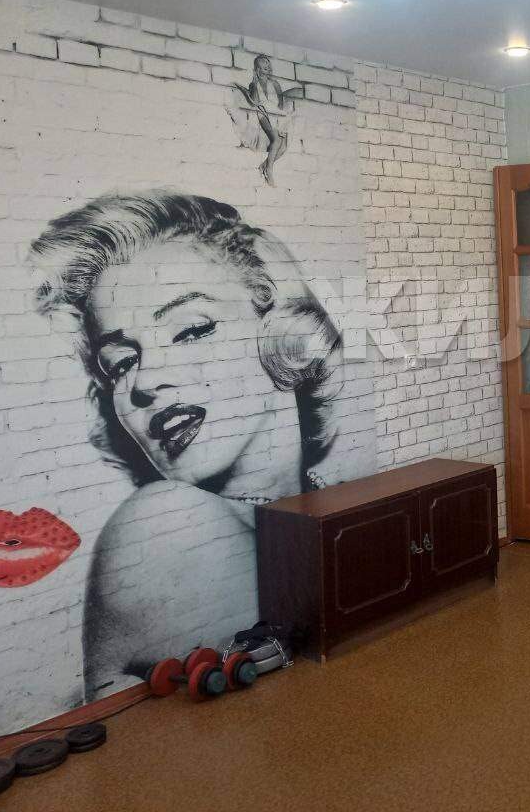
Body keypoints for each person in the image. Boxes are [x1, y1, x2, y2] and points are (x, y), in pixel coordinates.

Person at [30, 190, 341, 698]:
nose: (146, 379)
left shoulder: (322, 499)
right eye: (121, 363)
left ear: (280, 329)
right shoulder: (167, 524)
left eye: (192, 330)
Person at [228, 54, 305, 184]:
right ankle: (269, 170)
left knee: (282, 147)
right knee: (276, 140)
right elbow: (254, 102)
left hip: (276, 114)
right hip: (262, 113)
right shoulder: (254, 84)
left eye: (268, 67)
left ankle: (264, 165)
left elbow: (280, 104)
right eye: (264, 68)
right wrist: (253, 83)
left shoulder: (275, 84)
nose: (268, 70)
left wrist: (280, 122)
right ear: (258, 69)